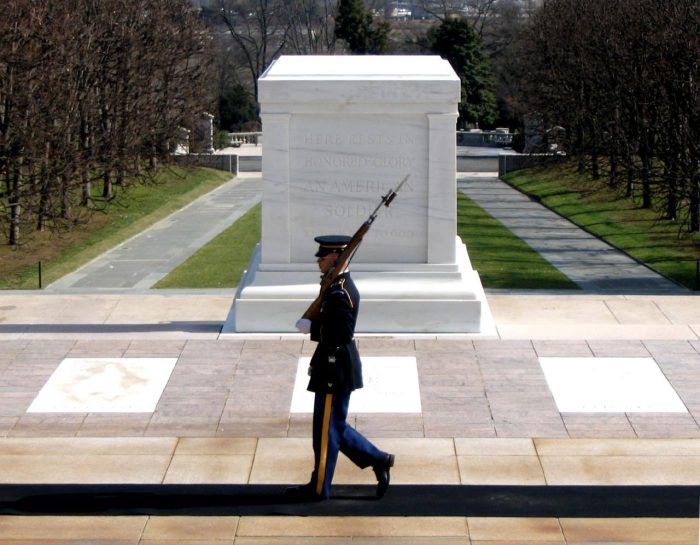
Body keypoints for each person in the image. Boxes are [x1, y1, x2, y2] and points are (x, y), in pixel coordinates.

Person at [286, 235, 395, 501]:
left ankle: (319, 487)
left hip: (336, 367)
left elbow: (341, 333)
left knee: (325, 431)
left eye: (322, 258)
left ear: (336, 258)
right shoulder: (333, 285)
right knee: (330, 426)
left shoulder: (341, 291)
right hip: (330, 364)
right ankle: (378, 459)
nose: (318, 262)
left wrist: (312, 328)